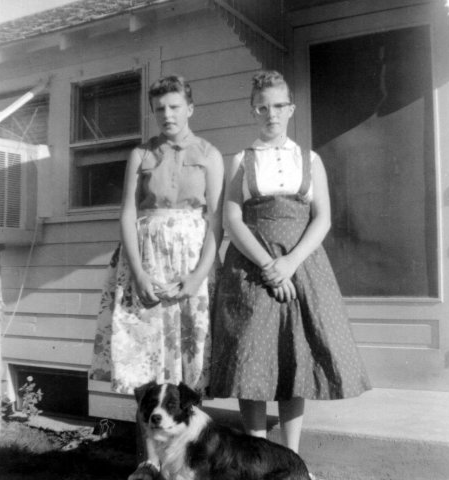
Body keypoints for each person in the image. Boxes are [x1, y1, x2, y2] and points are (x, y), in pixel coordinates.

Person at [210, 71, 371, 455]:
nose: (271, 114)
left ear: (290, 109)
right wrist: (269, 265)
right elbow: (233, 219)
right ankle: (258, 458)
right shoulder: (240, 161)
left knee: (293, 357)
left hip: (302, 268)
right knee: (250, 358)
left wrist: (290, 264)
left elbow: (323, 218)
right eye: (262, 107)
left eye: (278, 106)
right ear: (253, 111)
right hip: (251, 269)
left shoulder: (309, 159)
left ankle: (291, 459)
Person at [89, 75, 224, 478]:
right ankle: (148, 462)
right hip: (144, 265)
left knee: (190, 366)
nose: (167, 114)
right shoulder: (140, 154)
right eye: (160, 108)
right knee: (143, 366)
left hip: (189, 267)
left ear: (190, 108)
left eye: (175, 106)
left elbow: (215, 220)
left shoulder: (210, 154)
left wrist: (199, 275)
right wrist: (138, 272)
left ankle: (188, 464)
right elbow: (128, 214)